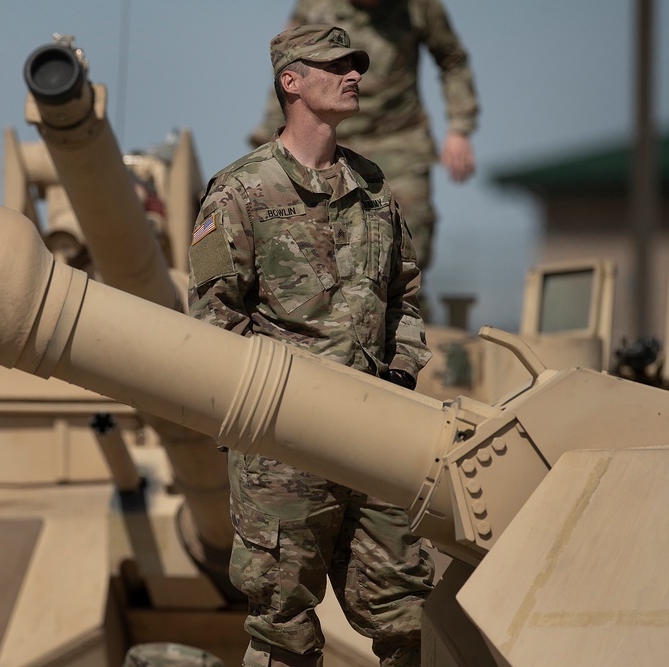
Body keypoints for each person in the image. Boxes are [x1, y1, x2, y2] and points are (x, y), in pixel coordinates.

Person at [188, 24, 434, 667]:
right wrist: (275, 409)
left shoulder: (374, 189)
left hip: (374, 436)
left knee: (410, 620)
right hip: (282, 445)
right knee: (282, 627)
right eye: (335, 65)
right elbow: (214, 319)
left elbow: (404, 300)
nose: (353, 74)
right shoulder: (241, 190)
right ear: (290, 81)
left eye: (355, 64)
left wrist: (399, 380)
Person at [248, 0, 479, 275]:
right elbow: (292, 66)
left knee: (410, 243)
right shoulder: (315, 6)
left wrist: (459, 129)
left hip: (400, 140)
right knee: (323, 235)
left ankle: (404, 306)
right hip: (331, 138)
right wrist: (270, 140)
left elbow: (452, 60)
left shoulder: (419, 7)